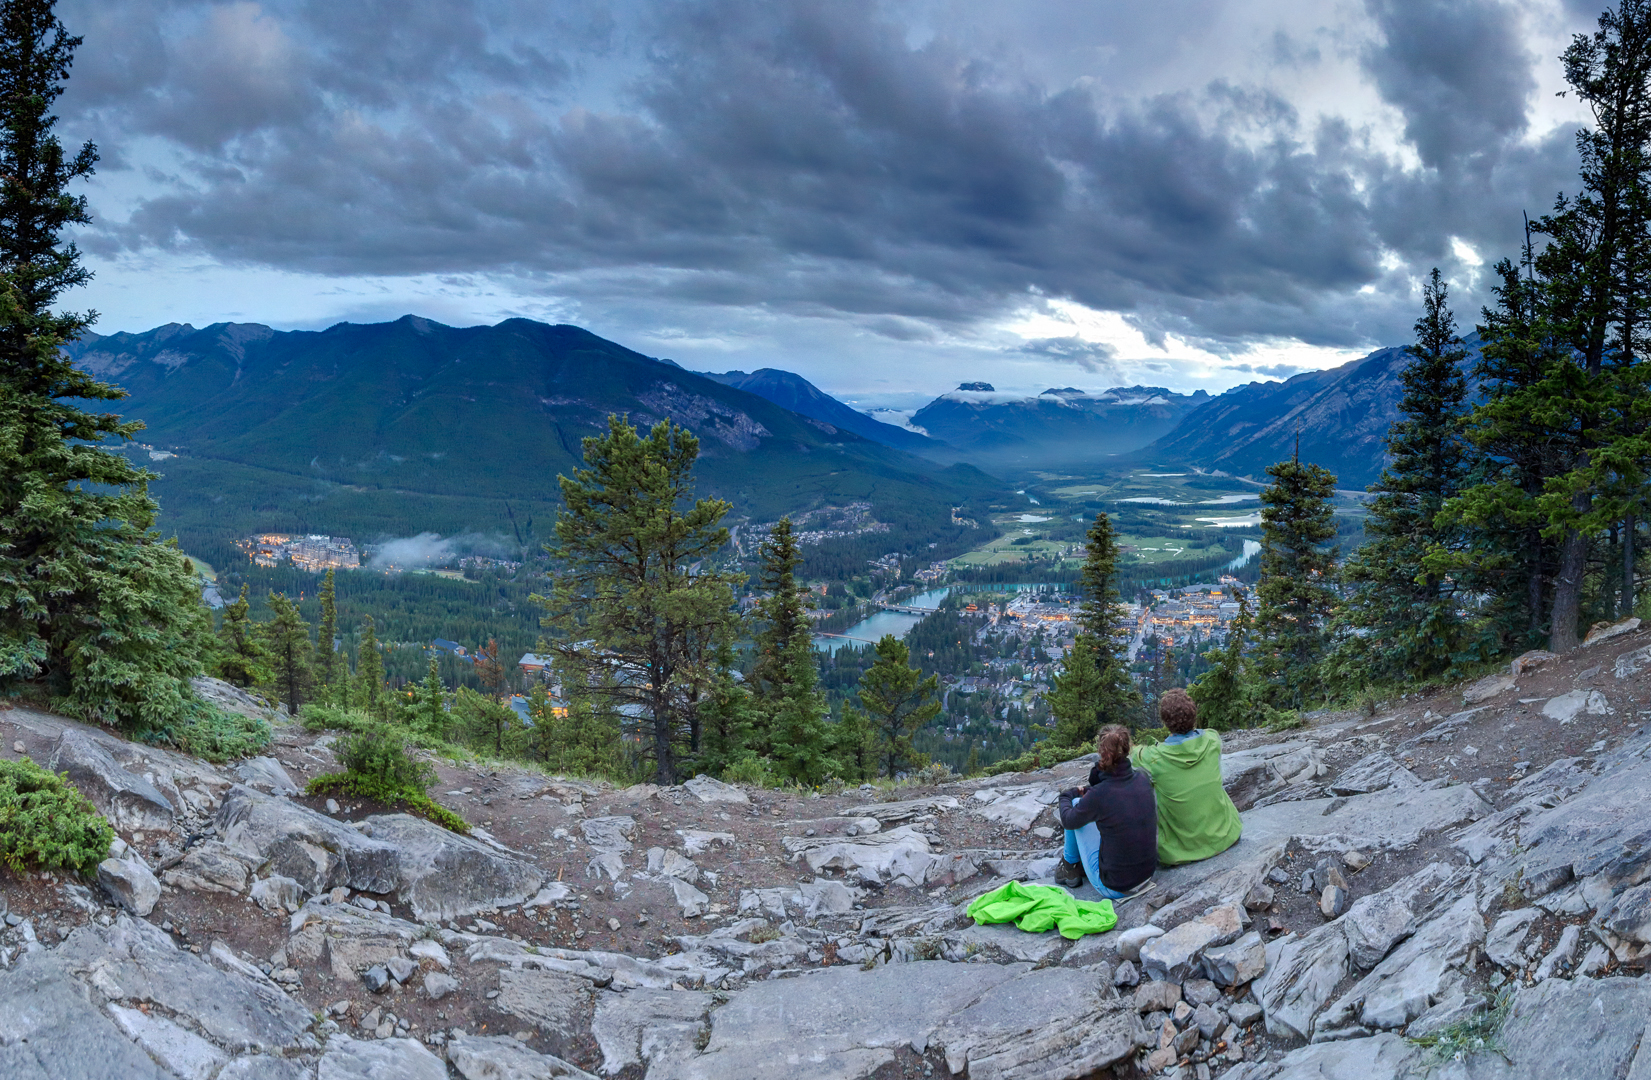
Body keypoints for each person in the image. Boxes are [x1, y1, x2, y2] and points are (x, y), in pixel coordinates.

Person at [1129, 688, 1242, 865]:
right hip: (1226, 835)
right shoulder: (1212, 739)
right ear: (1194, 716)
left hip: (1179, 851)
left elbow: (1133, 755)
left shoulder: (1153, 758)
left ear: (1165, 722)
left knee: (1144, 783)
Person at [1054, 725, 1158, 897]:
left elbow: (1068, 820)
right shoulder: (1142, 778)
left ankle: (1069, 866)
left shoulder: (1100, 795)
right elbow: (1110, 793)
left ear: (1100, 752)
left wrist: (1066, 795)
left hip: (1116, 886)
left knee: (1075, 803)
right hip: (1147, 875)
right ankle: (1071, 866)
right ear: (1127, 749)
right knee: (1090, 808)